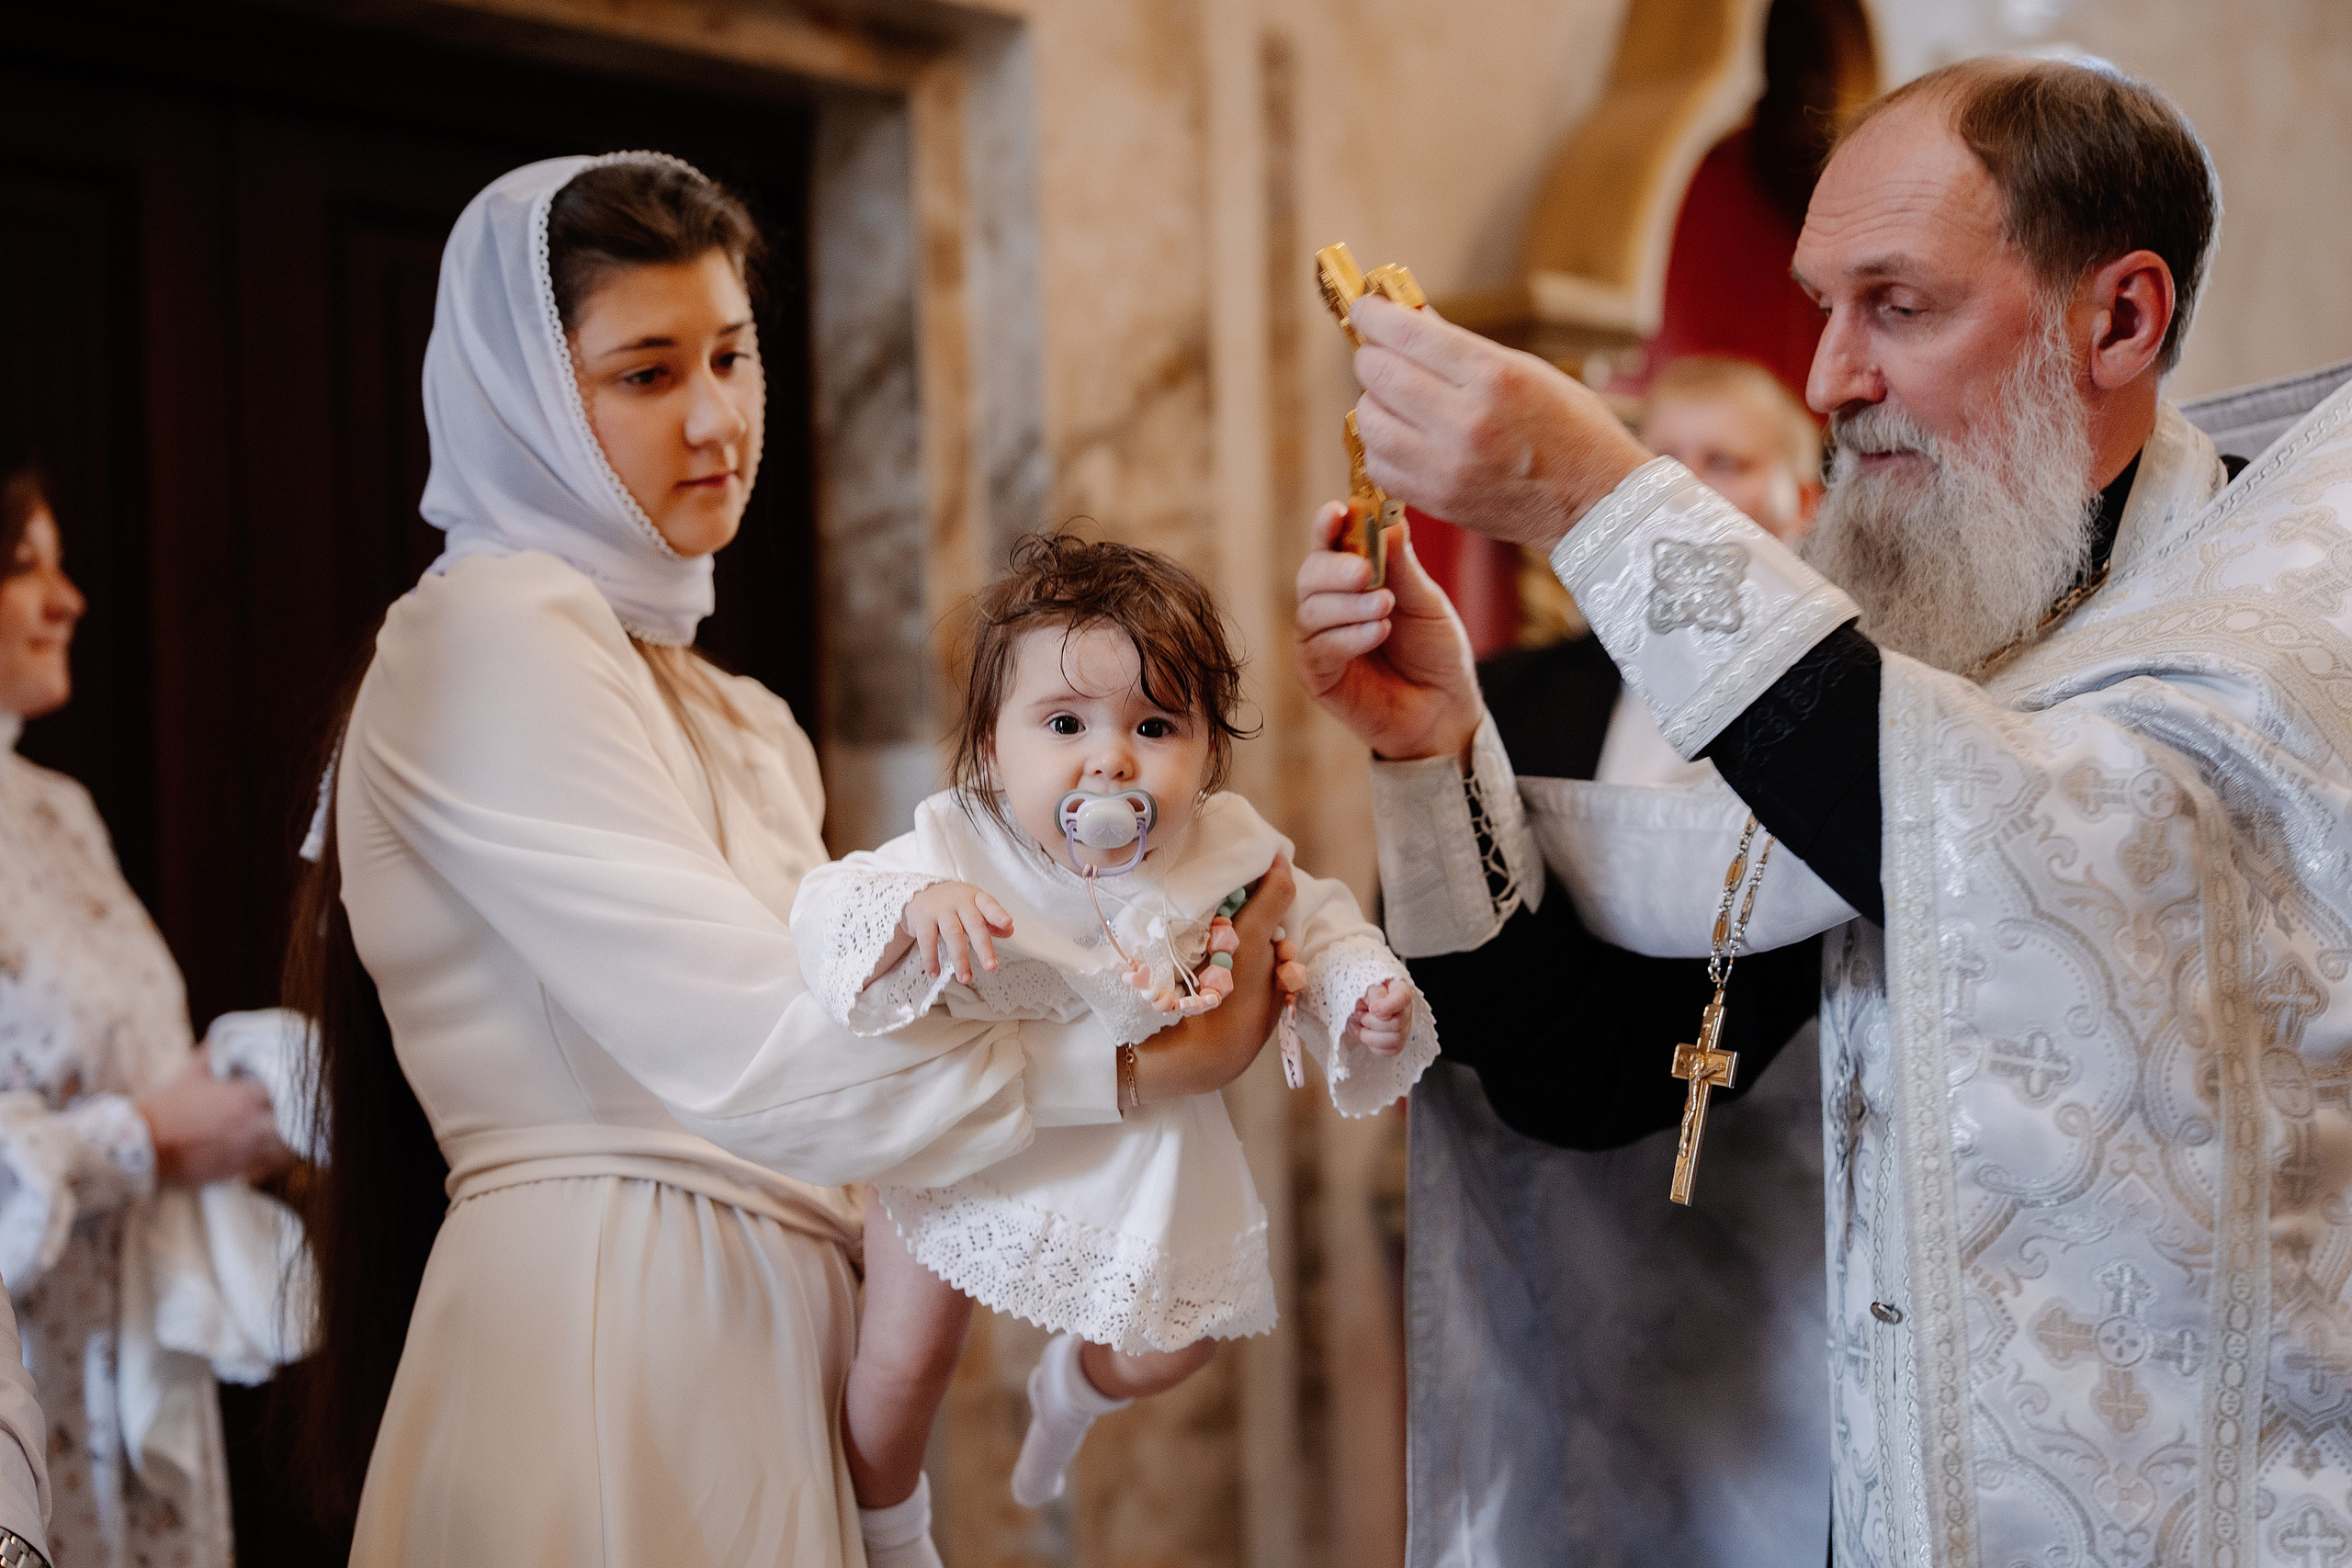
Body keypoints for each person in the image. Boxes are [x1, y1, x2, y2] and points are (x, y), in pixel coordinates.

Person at [1300, 58, 2352, 1564]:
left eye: (1898, 305)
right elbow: (1598, 1081)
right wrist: (1429, 750)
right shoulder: (1926, 628)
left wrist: (1595, 496)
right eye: (1822, 305)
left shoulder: (2288, 619)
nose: (1828, 377)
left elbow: (2018, 864)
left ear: (2118, 318)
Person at [291, 153, 1296, 1568]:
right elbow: (761, 1044)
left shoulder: (745, 716)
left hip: (784, 1329)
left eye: (732, 353)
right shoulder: (488, 632)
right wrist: (1134, 1065)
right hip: (611, 1319)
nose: (716, 419)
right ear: (526, 398)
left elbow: (898, 1021)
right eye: (645, 373)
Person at [792, 535, 1432, 1540]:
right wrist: (917, 905)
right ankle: (886, 1533)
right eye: (1063, 722)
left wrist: (1363, 991)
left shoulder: (1223, 846)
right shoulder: (964, 838)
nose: (1110, 758)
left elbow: (1319, 920)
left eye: (1156, 724)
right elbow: (828, 902)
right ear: (994, 749)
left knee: (1178, 1345)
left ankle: (1073, 1391)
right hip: (969, 1125)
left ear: (1209, 752)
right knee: (903, 1355)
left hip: (1138, 1140)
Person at [1400, 357, 1832, 1565]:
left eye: (1726, 462)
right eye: (1660, 463)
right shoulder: (1503, 695)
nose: (1684, 492)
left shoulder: (1849, 721)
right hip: (1563, 1224)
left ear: (1803, 503)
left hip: (1791, 1252)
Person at [0, 460, 295, 1566]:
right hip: (26, 1376)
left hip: (131, 1370)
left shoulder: (58, 811)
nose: (67, 597)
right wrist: (147, 1140)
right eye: (23, 566)